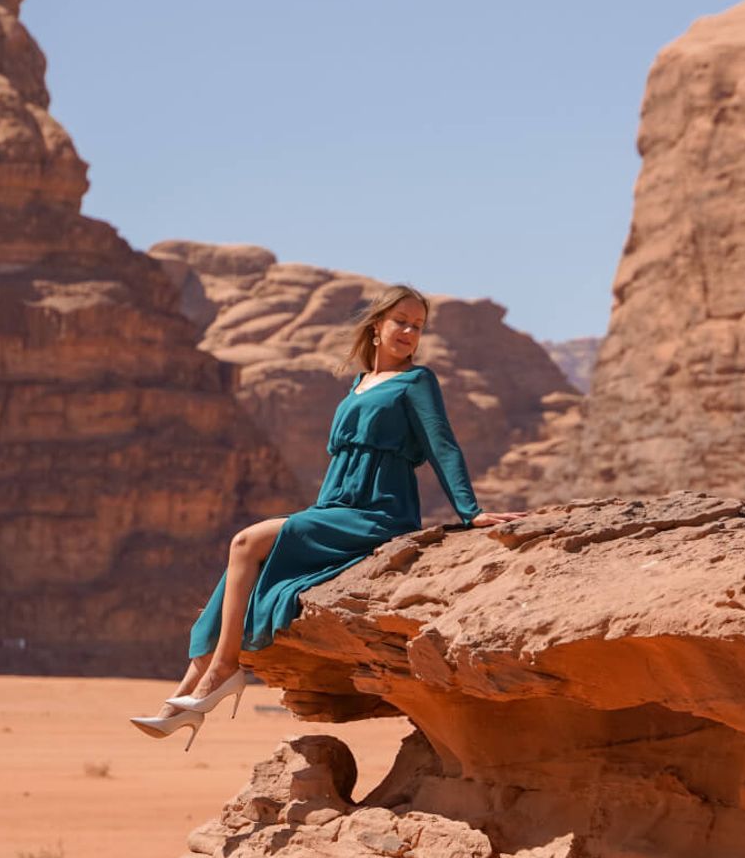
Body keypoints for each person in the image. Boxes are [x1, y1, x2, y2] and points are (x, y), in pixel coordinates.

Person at [130, 284, 524, 749]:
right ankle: (183, 696)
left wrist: (470, 512)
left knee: (245, 543)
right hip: (335, 506)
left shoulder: (418, 382)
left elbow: (442, 445)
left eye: (417, 326)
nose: (408, 332)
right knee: (239, 572)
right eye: (401, 320)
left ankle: (222, 670)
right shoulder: (356, 385)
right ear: (376, 325)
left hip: (379, 511)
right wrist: (319, 514)